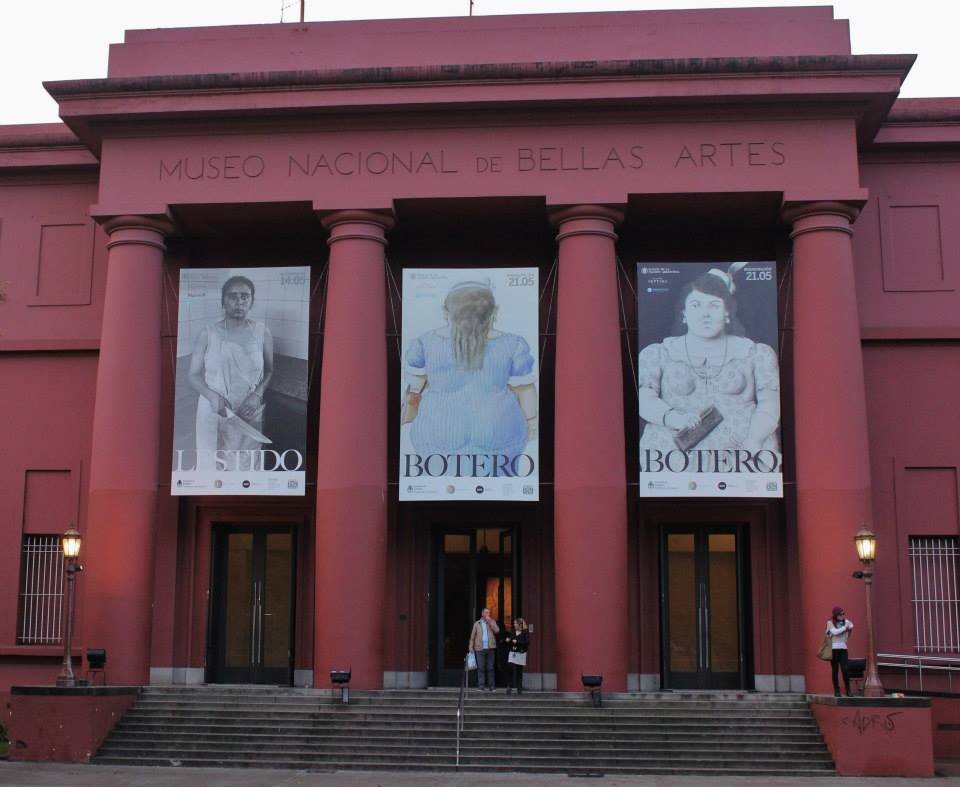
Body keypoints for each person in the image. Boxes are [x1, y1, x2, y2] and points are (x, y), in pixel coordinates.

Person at [637, 264, 780, 456]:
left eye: (714, 305)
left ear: (727, 312)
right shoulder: (658, 353)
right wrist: (675, 418)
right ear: (684, 314)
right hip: (671, 460)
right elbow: (645, 399)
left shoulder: (757, 353)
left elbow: (770, 405)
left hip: (743, 457)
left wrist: (752, 442)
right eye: (696, 305)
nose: (705, 314)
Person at [403, 280, 537, 464]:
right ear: (493, 311)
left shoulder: (424, 343)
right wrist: (531, 424)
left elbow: (415, 387)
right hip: (499, 435)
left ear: (446, 311)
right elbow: (525, 390)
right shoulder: (514, 344)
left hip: (437, 436)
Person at [189, 275, 274, 471]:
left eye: (245, 296)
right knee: (212, 463)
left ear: (252, 301)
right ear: (223, 301)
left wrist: (256, 395)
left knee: (246, 464)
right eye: (232, 296)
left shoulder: (262, 332)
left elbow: (269, 370)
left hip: (249, 409)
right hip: (214, 407)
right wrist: (213, 397)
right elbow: (193, 375)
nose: (239, 302)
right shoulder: (207, 333)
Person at [826, 606, 855, 697]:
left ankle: (848, 690)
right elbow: (835, 632)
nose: (842, 615)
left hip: (843, 648)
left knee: (845, 669)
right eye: (840, 614)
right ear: (835, 615)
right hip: (833, 649)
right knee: (835, 670)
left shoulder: (846, 622)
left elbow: (851, 625)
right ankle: (837, 690)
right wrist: (845, 628)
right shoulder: (830, 622)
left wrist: (845, 627)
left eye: (843, 614)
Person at [469, 607, 499, 691]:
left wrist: (490, 622)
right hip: (479, 648)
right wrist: (470, 646)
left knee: (490, 668)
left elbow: (497, 631)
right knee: (481, 668)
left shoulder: (492, 622)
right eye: (486, 613)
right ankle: (481, 686)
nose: (487, 614)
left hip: (490, 648)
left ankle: (491, 687)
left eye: (488, 613)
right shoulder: (477, 624)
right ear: (482, 614)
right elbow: (472, 636)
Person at [503, 617, 529, 695]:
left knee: (519, 671)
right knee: (510, 666)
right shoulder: (513, 632)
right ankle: (509, 686)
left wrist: (517, 642)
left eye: (515, 623)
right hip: (513, 652)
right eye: (514, 623)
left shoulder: (525, 632)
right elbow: (511, 639)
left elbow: (527, 642)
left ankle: (519, 688)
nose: (514, 625)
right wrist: (508, 640)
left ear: (519, 624)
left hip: (521, 653)